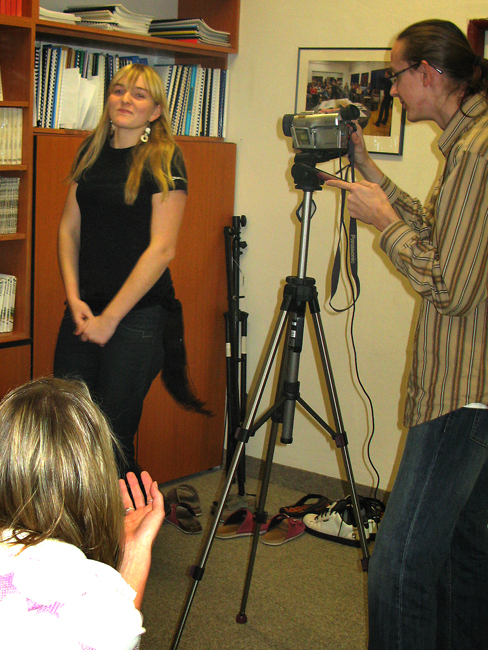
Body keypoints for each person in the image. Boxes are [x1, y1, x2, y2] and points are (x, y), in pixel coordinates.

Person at [326, 19, 488, 650]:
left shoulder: (475, 151)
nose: (392, 90)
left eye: (396, 76)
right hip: (477, 389)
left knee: (398, 570)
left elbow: (452, 286)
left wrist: (383, 225)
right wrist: (370, 171)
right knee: (465, 555)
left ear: (427, 72)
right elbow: (440, 231)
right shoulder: (469, 138)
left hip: (459, 391)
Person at [53, 63, 188, 477]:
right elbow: (69, 228)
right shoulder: (90, 151)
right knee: (69, 428)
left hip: (137, 316)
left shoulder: (165, 158)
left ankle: (126, 519)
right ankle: (79, 517)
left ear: (155, 111)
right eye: (119, 90)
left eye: (139, 94)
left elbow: (162, 250)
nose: (126, 99)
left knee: (113, 438)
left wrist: (110, 319)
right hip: (83, 310)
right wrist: (74, 298)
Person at [0, 377, 165, 649]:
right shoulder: (93, 605)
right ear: (95, 480)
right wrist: (136, 554)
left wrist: (134, 550)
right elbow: (116, 633)